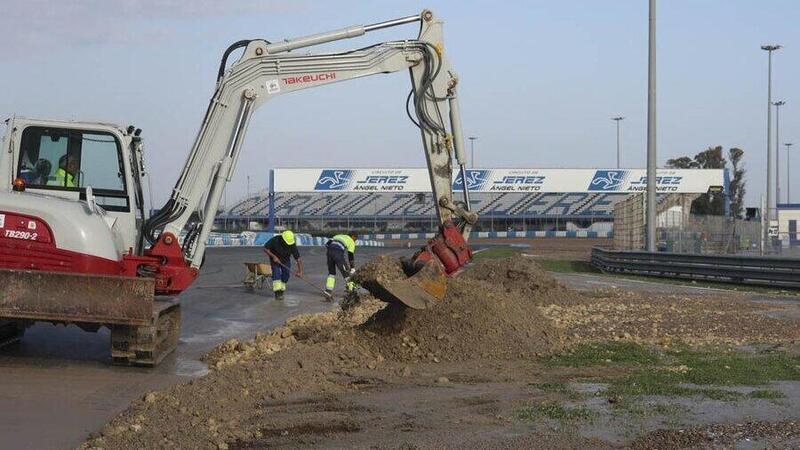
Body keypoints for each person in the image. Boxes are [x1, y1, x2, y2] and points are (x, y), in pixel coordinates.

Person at [263, 230, 303, 300]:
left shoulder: (292, 245)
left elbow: (298, 259)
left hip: (286, 260)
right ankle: (277, 292)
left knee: (286, 275)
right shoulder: (275, 240)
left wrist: (300, 271)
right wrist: (273, 256)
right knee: (276, 273)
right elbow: (265, 248)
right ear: (283, 239)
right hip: (275, 259)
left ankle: (281, 290)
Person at [324, 233, 357, 299]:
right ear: (353, 236)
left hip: (329, 252)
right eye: (355, 239)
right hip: (338, 253)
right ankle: (351, 292)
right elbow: (350, 255)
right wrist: (352, 268)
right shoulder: (351, 241)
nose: (355, 241)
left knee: (331, 273)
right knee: (346, 273)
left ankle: (328, 291)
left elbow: (327, 244)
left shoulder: (337, 236)